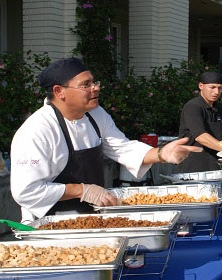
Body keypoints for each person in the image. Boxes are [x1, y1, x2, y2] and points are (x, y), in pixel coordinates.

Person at [10, 57, 202, 223]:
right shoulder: (37, 130)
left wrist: (162, 154)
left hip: (92, 215)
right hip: (50, 223)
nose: (95, 89)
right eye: (86, 85)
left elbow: (122, 148)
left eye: (94, 82)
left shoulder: (95, 115)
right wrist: (81, 190)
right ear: (59, 91)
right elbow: (26, 191)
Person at [174, 72, 222, 173]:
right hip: (192, 166)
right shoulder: (193, 106)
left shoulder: (218, 108)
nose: (216, 92)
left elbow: (220, 136)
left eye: (220, 88)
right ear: (201, 86)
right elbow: (201, 136)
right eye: (212, 87)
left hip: (214, 165)